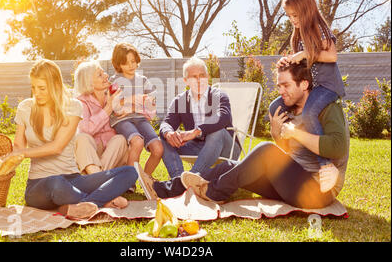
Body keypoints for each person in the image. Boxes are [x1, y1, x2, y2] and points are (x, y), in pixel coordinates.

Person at [142, 61, 349, 209]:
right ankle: (164, 189)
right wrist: (278, 134)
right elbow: (290, 157)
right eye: (278, 85)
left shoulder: (327, 108)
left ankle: (214, 192)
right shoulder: (286, 109)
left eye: (286, 85)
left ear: (304, 84)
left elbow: (337, 147)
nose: (280, 91)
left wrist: (295, 133)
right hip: (290, 186)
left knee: (265, 150)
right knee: (226, 166)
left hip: (317, 192)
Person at [0, 59, 138, 220]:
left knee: (129, 172)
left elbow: (57, 147)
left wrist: (23, 153)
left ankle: (80, 205)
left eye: (42, 88)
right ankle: (102, 201)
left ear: (55, 85)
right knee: (56, 183)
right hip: (40, 185)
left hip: (73, 179)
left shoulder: (73, 106)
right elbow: (18, 148)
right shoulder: (25, 107)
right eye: (33, 88)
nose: (36, 93)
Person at [269, 0, 345, 193]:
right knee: (275, 105)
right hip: (313, 86)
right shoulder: (298, 34)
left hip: (328, 87)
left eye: (295, 15)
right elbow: (301, 67)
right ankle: (287, 156)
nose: (292, 19)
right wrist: (289, 61)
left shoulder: (318, 27)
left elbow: (331, 56)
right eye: (289, 16)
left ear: (306, 10)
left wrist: (303, 53)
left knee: (310, 111)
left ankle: (325, 165)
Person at [135, 57, 242, 200]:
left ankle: (182, 184)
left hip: (226, 145)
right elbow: (166, 123)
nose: (199, 80)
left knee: (216, 132)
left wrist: (195, 131)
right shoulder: (180, 100)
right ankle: (180, 181)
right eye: (194, 77)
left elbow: (223, 118)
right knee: (165, 138)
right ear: (185, 81)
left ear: (208, 77)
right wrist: (168, 133)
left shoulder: (219, 95)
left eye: (202, 75)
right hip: (197, 147)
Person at [109, 43, 163, 177]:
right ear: (118, 64)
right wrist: (136, 99)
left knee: (158, 148)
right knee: (137, 142)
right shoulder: (114, 81)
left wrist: (131, 104)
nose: (131, 66)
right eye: (126, 63)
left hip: (140, 118)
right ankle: (130, 180)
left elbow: (152, 102)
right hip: (122, 120)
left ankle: (145, 179)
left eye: (133, 61)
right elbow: (116, 108)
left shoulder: (143, 80)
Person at [74, 60, 129, 175]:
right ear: (89, 83)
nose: (106, 76)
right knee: (82, 138)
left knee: (120, 139)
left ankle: (93, 178)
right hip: (91, 153)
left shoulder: (113, 96)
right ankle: (101, 181)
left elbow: (125, 115)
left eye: (103, 72)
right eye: (100, 75)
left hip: (112, 153)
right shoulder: (80, 102)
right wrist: (108, 108)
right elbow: (87, 129)